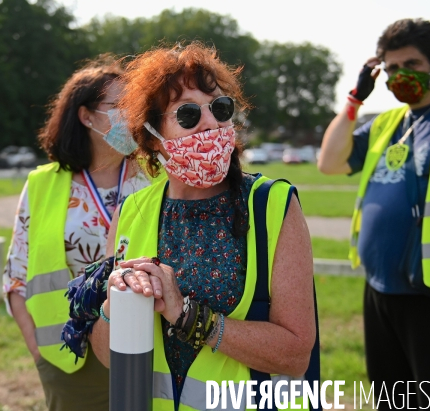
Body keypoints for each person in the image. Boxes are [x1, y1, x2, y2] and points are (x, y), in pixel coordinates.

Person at [65, 43, 318, 411]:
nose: (211, 123)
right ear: (153, 135)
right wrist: (113, 305)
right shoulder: (132, 211)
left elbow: (296, 355)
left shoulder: (273, 205)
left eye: (220, 108)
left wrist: (188, 316)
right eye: (187, 114)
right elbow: (108, 356)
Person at [318, 18, 430, 409]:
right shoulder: (385, 125)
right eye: (393, 68)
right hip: (380, 289)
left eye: (412, 65)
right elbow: (329, 162)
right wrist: (355, 98)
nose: (402, 75)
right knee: (392, 401)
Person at [2, 55, 150, 411]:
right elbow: (16, 276)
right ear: (86, 116)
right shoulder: (42, 185)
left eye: (136, 105)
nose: (132, 114)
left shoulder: (155, 177)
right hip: (70, 360)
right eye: (120, 105)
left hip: (150, 352)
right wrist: (37, 349)